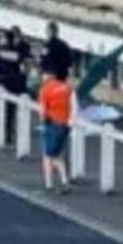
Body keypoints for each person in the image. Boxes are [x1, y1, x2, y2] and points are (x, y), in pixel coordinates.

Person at [39, 64, 74, 194]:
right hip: (65, 125)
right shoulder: (67, 88)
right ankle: (61, 181)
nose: (42, 77)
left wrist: (42, 124)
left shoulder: (45, 90)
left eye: (43, 74)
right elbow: (74, 106)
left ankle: (51, 183)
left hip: (52, 124)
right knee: (57, 153)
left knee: (49, 155)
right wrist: (70, 122)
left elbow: (43, 110)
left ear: (49, 75)